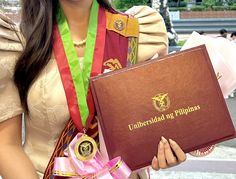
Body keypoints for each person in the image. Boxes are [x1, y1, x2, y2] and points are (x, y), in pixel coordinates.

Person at [0, 0, 187, 179]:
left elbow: (156, 118)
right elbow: (6, 145)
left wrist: (164, 148)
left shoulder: (138, 34)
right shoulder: (19, 42)